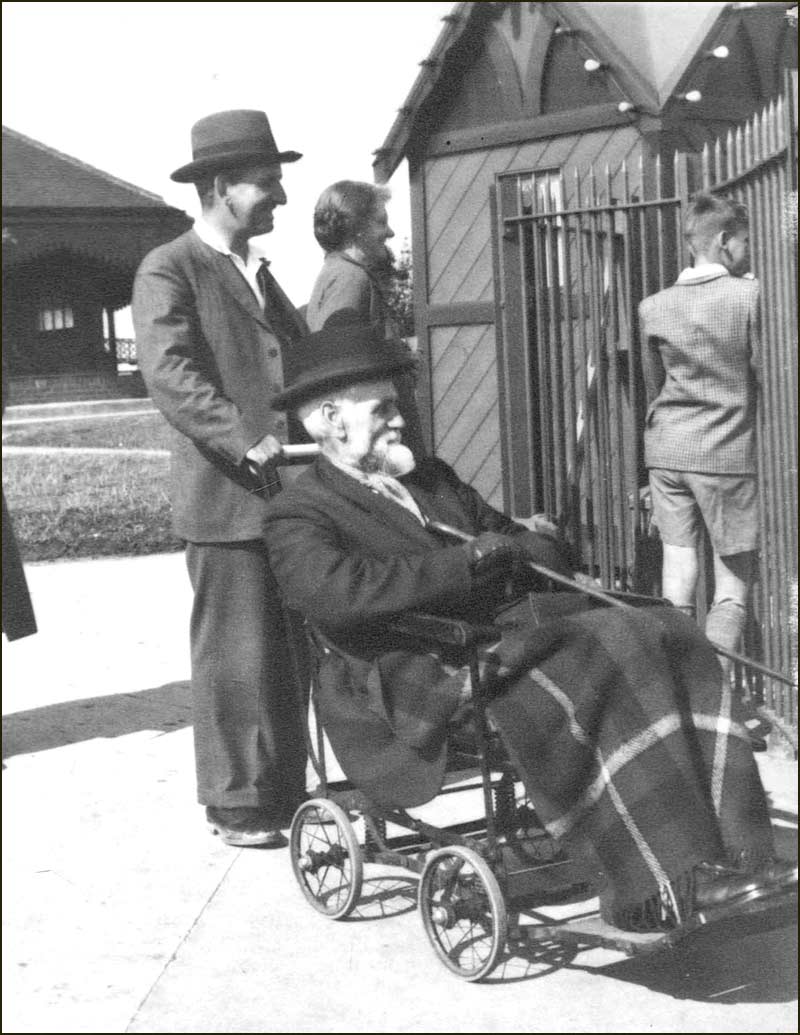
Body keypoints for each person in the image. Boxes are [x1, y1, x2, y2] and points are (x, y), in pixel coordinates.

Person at [262, 319, 794, 932]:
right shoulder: (299, 511)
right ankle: (665, 875)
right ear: (331, 418)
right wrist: (471, 562)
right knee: (606, 650)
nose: (401, 419)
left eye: (398, 405)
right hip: (412, 670)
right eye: (384, 409)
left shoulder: (430, 478)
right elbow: (338, 595)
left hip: (495, 641)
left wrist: (514, 550)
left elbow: (529, 549)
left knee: (663, 628)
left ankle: (740, 852)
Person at [132, 109, 308, 848]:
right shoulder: (169, 268)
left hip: (287, 489)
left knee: (286, 647)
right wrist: (251, 442)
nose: (280, 198)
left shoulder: (259, 273)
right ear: (218, 186)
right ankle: (237, 801)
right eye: (266, 184)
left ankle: (286, 790)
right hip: (226, 495)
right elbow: (172, 375)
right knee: (236, 652)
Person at [640, 194, 760, 682]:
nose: (749, 251)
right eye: (745, 242)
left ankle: (683, 691)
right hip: (727, 454)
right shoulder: (749, 296)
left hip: (667, 451)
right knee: (732, 585)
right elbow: (764, 370)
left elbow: (654, 385)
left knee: (678, 572)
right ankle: (721, 696)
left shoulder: (652, 306)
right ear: (725, 241)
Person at [306, 180, 425, 457]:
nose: (391, 232)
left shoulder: (341, 273)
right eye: (382, 222)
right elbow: (334, 366)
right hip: (374, 439)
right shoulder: (350, 279)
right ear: (356, 229)